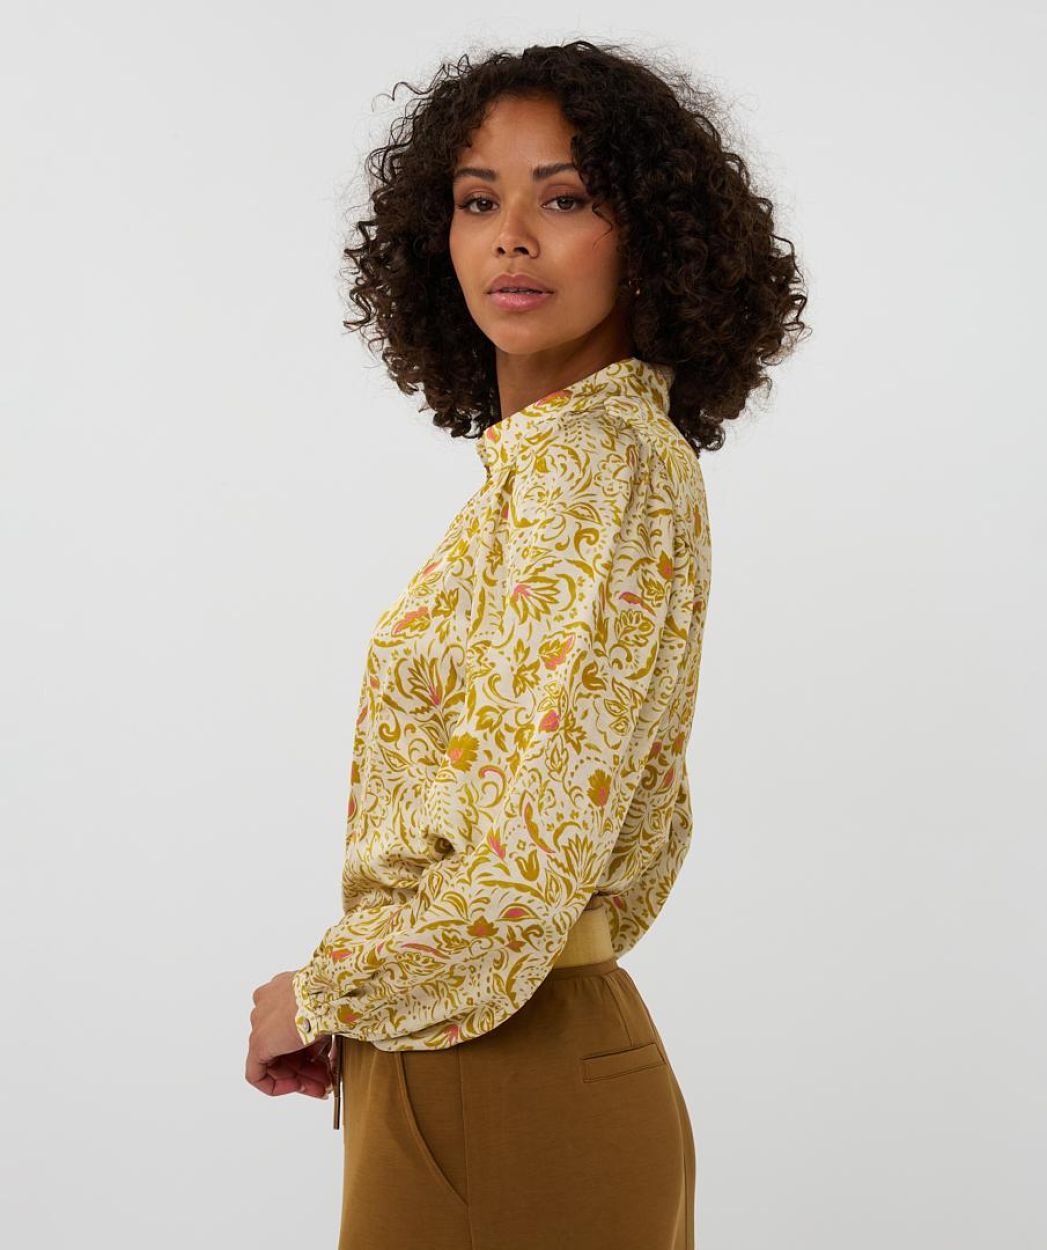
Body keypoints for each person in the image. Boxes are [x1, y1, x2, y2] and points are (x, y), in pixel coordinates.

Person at [246, 38, 808, 1250]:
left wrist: (329, 987)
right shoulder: (587, 462)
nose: (510, 238)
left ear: (650, 236)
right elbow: (607, 836)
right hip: (497, 1053)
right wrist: (396, 994)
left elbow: (526, 873)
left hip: (501, 1078)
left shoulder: (591, 468)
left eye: (563, 199)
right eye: (475, 201)